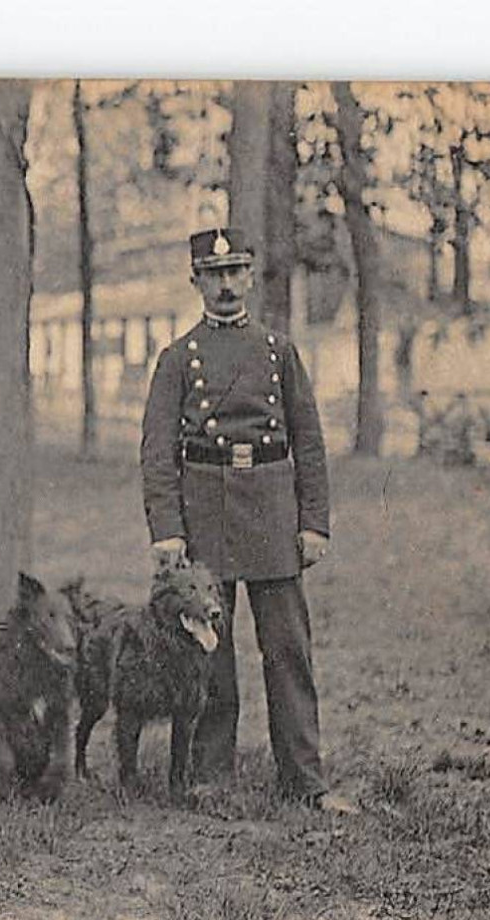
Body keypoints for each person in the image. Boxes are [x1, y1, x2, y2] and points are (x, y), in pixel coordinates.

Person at [139, 227, 352, 814]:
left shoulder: (280, 353)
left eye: (236, 272)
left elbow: (308, 442)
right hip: (204, 508)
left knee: (287, 647)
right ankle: (210, 775)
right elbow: (157, 451)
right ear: (197, 282)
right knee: (210, 647)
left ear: (251, 277)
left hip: (272, 511)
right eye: (215, 275)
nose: (227, 285)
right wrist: (167, 529)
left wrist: (314, 522)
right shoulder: (177, 359)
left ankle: (304, 777)